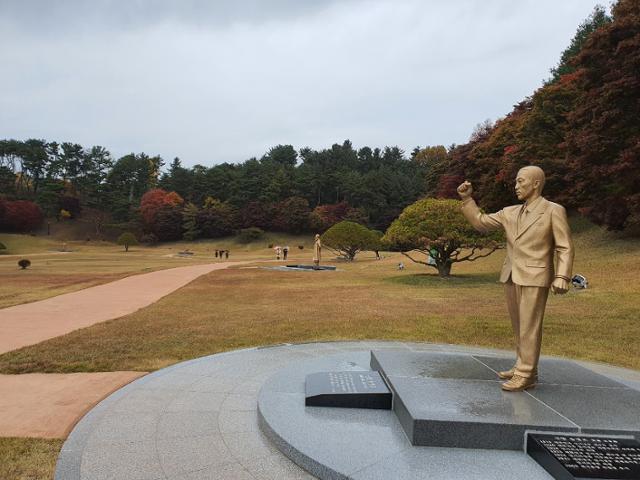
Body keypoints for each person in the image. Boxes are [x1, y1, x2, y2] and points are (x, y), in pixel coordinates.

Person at [457, 166, 574, 392]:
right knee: (519, 325)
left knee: (530, 326)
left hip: (535, 275)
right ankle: (524, 365)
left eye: (521, 182)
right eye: (516, 182)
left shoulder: (553, 210)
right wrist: (467, 199)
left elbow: (565, 246)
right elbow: (480, 222)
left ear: (536, 184)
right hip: (511, 274)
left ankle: (525, 374)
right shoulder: (509, 212)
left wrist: (562, 275)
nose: (516, 186)